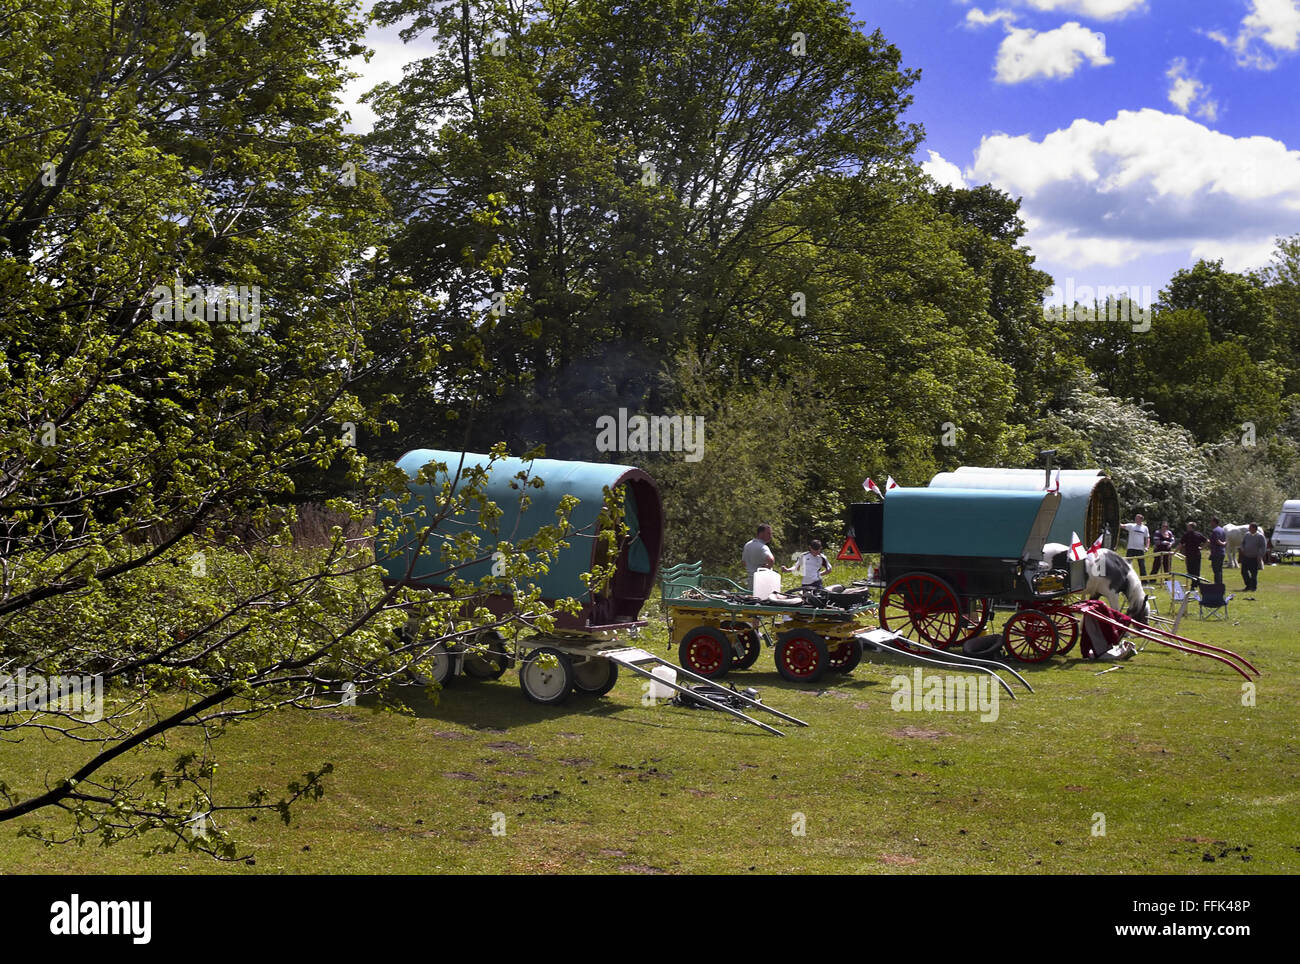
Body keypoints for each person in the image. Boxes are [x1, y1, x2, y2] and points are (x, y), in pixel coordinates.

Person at [742, 523, 775, 591]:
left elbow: (744, 562)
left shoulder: (747, 545)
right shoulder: (763, 547)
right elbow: (771, 560)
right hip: (762, 580)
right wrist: (767, 567)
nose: (770, 536)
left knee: (751, 599)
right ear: (761, 533)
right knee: (763, 599)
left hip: (751, 580)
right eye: (768, 533)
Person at [1239, 522, 1267, 594]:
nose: (1249, 529)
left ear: (1254, 528)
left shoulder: (1260, 536)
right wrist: (1242, 549)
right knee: (1243, 572)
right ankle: (1248, 585)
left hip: (1255, 557)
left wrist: (1260, 555)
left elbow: (1263, 547)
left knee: (1254, 573)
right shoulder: (1247, 535)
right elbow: (1242, 543)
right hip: (1246, 556)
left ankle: (1253, 587)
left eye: (1250, 527)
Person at [1209, 517, 1227, 585]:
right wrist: (1224, 544)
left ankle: (1217, 584)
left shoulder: (1215, 531)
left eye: (1211, 522)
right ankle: (1219, 583)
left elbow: (1217, 541)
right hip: (1222, 552)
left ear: (1214, 522)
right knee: (1219, 569)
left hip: (1216, 552)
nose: (1210, 523)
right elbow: (1225, 540)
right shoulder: (1222, 530)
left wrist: (1222, 544)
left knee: (1216, 569)